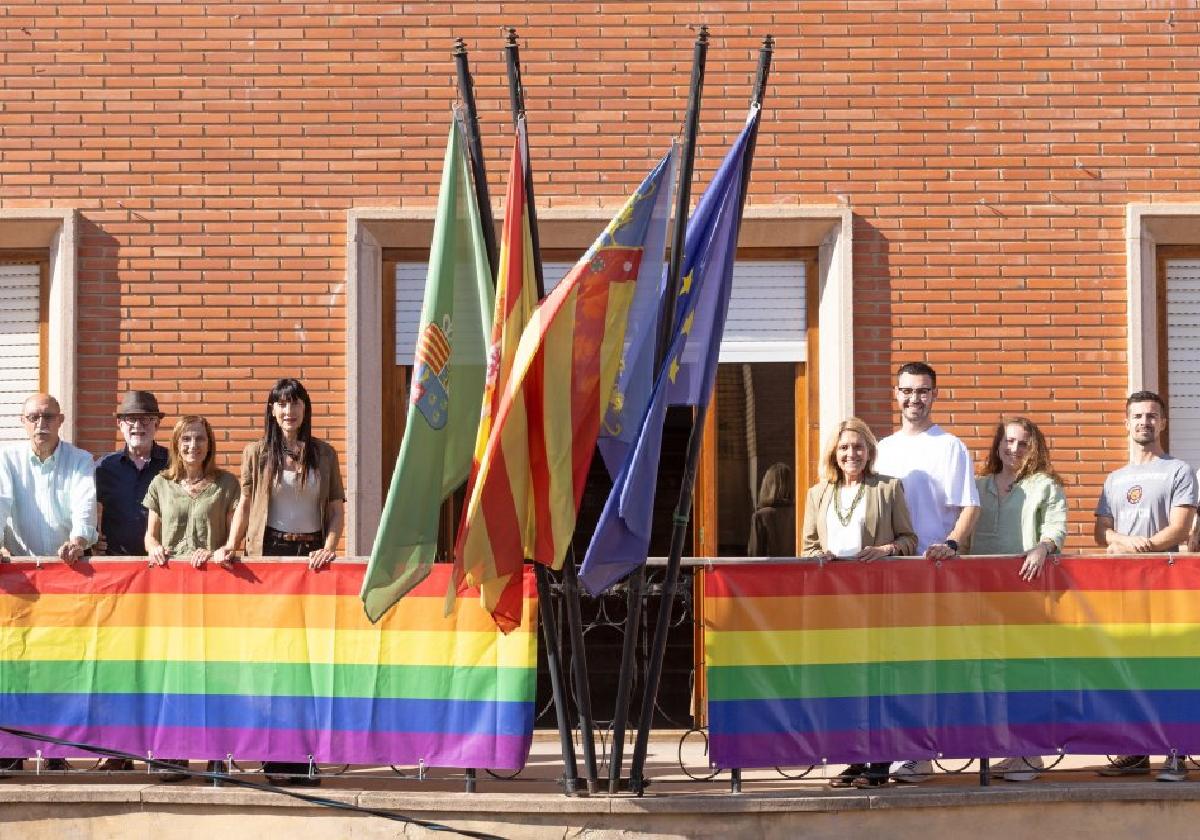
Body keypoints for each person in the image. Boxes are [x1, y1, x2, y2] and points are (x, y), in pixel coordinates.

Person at [214, 378, 345, 786]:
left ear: (306, 409)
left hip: (311, 563)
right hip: (268, 557)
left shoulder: (324, 454)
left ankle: (305, 755)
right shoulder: (256, 453)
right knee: (271, 659)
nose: (289, 412)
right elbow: (245, 504)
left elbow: (337, 507)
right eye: (281, 405)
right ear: (272, 411)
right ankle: (273, 755)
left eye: (296, 404)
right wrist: (230, 546)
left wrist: (329, 546)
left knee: (306, 658)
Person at [874, 361, 979, 784]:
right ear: (895, 394)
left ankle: (921, 752)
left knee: (925, 666)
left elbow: (969, 506)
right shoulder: (881, 447)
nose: (914, 398)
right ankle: (891, 749)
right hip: (887, 572)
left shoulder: (949, 447)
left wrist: (951, 543)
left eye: (923, 391)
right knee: (891, 664)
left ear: (935, 395)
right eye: (907, 390)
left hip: (931, 572)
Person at [800, 418, 917, 788]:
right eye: (844, 448)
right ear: (834, 453)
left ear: (869, 451)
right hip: (835, 604)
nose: (851, 454)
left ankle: (880, 762)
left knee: (878, 682)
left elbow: (909, 540)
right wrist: (822, 558)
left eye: (858, 447)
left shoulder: (888, 488)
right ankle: (853, 758)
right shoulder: (817, 494)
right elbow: (806, 548)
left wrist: (885, 549)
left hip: (877, 601)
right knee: (846, 684)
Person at [1094, 390, 1196, 783]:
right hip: (1123, 590)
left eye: (1152, 416)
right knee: (1130, 670)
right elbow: (1101, 532)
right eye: (1137, 416)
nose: (1144, 422)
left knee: (1169, 672)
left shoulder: (1178, 471)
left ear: (1163, 423)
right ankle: (1135, 752)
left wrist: (1143, 547)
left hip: (1166, 587)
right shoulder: (1115, 478)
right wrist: (1120, 541)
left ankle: (1176, 755)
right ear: (1126, 422)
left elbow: (1180, 527)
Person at [0, 393, 98, 774]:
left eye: (48, 416)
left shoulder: (80, 460)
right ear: (23, 422)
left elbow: (84, 504)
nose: (41, 423)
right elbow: (1, 502)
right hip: (18, 580)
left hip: (65, 577)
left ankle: (54, 751)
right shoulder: (6, 459)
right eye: (33, 417)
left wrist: (79, 538)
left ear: (61, 420)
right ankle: (9, 750)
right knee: (15, 666)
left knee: (58, 667)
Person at [967, 416, 1068, 782]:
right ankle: (1011, 749)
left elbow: (1056, 527)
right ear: (997, 445)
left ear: (1033, 447)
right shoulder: (977, 485)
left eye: (1022, 443)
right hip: (983, 596)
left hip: (1026, 592)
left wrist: (1043, 547)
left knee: (1025, 674)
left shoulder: (1045, 485)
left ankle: (1032, 754)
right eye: (1008, 441)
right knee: (993, 676)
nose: (1013, 449)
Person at [142, 415, 241, 782]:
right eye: (186, 440)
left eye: (199, 439)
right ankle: (173, 755)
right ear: (175, 444)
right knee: (174, 675)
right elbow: (150, 536)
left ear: (209, 444)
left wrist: (217, 551)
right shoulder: (160, 484)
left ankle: (218, 757)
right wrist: (154, 548)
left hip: (214, 596)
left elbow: (235, 540)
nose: (192, 446)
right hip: (171, 596)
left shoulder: (226, 484)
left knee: (215, 675)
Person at [96, 391, 169, 557]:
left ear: (156, 424)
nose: (138, 425)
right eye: (131, 419)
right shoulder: (105, 467)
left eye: (145, 419)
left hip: (164, 560)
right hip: (118, 563)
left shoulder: (172, 464)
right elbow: (84, 506)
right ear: (120, 425)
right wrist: (92, 539)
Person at [748, 462, 795, 556]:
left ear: (767, 485)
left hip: (768, 569)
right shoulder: (800, 513)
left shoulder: (760, 516)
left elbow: (754, 556)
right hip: (798, 569)